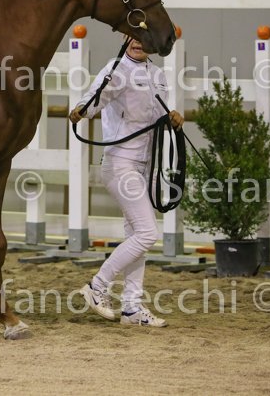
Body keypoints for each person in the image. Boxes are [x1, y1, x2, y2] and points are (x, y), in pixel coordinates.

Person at [69, 37, 184, 327]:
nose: (138, 43)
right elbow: (95, 98)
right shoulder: (117, 69)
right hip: (120, 163)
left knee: (136, 235)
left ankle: (132, 308)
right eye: (133, 37)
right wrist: (81, 109)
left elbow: (157, 116)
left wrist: (172, 118)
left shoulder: (157, 75)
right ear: (124, 38)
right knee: (147, 233)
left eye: (145, 39)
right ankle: (97, 285)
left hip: (146, 165)